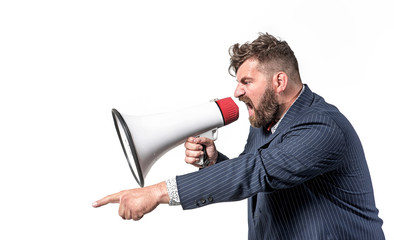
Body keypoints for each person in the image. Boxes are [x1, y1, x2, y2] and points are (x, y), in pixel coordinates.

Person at [93, 33, 385, 239]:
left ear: (279, 81)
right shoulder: (264, 121)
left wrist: (156, 192)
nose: (237, 92)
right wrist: (213, 161)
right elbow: (251, 175)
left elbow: (258, 172)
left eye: (247, 81)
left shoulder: (322, 128)